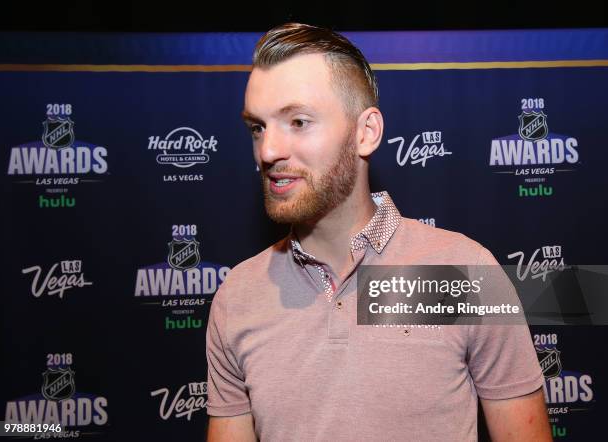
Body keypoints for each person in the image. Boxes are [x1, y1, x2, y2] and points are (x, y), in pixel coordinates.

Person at [206, 23, 551, 441]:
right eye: (258, 127)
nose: (268, 151)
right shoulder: (238, 295)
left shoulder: (465, 273)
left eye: (297, 121)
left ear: (365, 133)